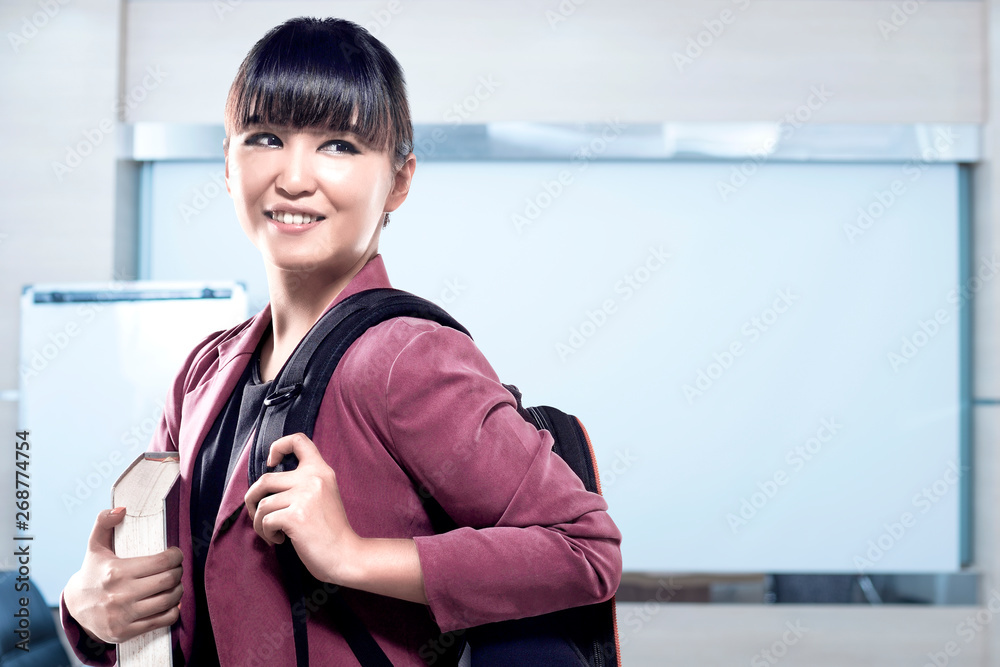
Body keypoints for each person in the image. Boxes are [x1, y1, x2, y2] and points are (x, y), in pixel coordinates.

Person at [60, 16, 622, 666]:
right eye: (265, 137)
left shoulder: (406, 357)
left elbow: (584, 550)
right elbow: (185, 628)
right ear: (227, 162)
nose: (294, 177)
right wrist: (91, 610)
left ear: (400, 180)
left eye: (339, 145)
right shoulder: (202, 371)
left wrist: (352, 555)